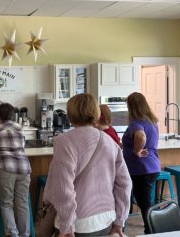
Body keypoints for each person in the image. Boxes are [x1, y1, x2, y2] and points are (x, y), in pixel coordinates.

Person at [43, 93, 132, 237]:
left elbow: (63, 187)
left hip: (77, 222)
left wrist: (66, 226)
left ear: (70, 114)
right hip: (106, 218)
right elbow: (125, 183)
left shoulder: (64, 141)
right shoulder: (109, 142)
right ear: (96, 113)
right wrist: (120, 221)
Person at [0, 103, 31, 237]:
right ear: (12, 115)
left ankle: (12, 234)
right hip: (24, 167)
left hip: (5, 168)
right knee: (22, 203)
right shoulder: (19, 127)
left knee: (6, 203)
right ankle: (25, 234)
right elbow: (22, 145)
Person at [122, 92, 161, 234]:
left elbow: (141, 136)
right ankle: (152, 230)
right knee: (146, 202)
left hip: (141, 168)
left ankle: (151, 231)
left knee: (145, 204)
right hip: (153, 166)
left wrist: (137, 151)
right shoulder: (152, 121)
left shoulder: (136, 123)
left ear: (131, 107)